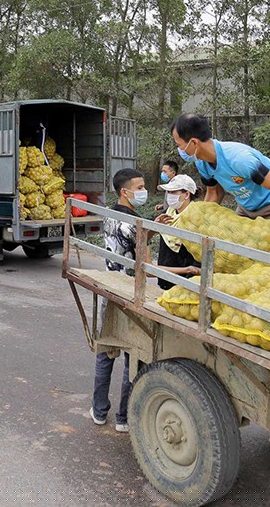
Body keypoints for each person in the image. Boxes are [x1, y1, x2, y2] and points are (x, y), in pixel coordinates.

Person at [171, 113, 270, 256]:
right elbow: (214, 193)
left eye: (179, 145)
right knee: (237, 253)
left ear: (193, 143)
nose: (179, 150)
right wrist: (200, 223)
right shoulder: (202, 163)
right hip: (246, 207)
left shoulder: (239, 159)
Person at [91, 168, 146, 433]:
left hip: (110, 289)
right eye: (140, 188)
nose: (143, 192)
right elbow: (143, 254)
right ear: (125, 191)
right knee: (131, 356)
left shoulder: (110, 215)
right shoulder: (133, 223)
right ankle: (123, 418)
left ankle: (99, 411)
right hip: (130, 292)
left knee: (106, 352)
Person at [154, 174, 201, 289]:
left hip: (184, 282)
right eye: (168, 192)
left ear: (186, 195)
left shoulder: (197, 218)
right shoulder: (167, 213)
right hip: (165, 276)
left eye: (173, 192)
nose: (169, 195)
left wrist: (190, 280)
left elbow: (199, 255)